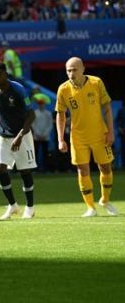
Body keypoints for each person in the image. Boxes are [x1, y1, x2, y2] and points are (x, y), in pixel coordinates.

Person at [56, 57, 118, 217]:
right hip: (78, 137)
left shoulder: (96, 83)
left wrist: (111, 131)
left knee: (105, 168)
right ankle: (90, 207)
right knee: (82, 170)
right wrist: (60, 139)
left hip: (99, 134)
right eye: (68, 70)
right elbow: (60, 115)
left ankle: (105, 200)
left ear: (83, 69)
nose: (71, 73)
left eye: (74, 69)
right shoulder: (63, 89)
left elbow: (107, 108)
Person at [0, 62, 37, 220]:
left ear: (5, 74)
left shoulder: (19, 90)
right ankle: (12, 205)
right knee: (0, 168)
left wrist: (20, 136)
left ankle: (30, 207)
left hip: (23, 134)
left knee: (24, 171)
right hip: (3, 135)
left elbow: (31, 115)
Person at [32, 99, 53, 172]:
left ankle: (46, 168)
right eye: (40, 104)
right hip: (36, 136)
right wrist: (37, 133)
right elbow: (33, 124)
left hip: (45, 136)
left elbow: (50, 124)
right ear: (38, 105)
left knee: (45, 153)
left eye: (42, 104)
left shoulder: (48, 113)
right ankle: (35, 169)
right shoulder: (35, 113)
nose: (41, 105)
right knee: (36, 152)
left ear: (44, 104)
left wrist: (45, 133)